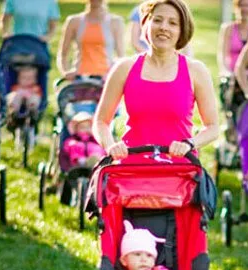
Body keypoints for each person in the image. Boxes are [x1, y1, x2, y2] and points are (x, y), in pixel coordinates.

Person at [93, 0, 218, 161]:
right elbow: (101, 121)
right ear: (146, 24)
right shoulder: (124, 68)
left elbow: (213, 127)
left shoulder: (195, 70)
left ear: (182, 31)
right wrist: (111, 145)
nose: (163, 27)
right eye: (157, 20)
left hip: (180, 172)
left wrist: (189, 143)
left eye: (172, 23)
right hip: (131, 169)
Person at [57, 0, 125, 80]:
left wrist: (113, 75)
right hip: (80, 78)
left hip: (105, 78)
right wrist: (66, 72)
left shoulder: (115, 22)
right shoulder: (74, 21)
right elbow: (63, 53)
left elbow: (121, 56)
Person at [217, 0, 248, 114]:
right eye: (242, 5)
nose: (245, 9)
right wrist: (226, 72)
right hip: (232, 77)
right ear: (236, 8)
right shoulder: (228, 28)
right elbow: (222, 54)